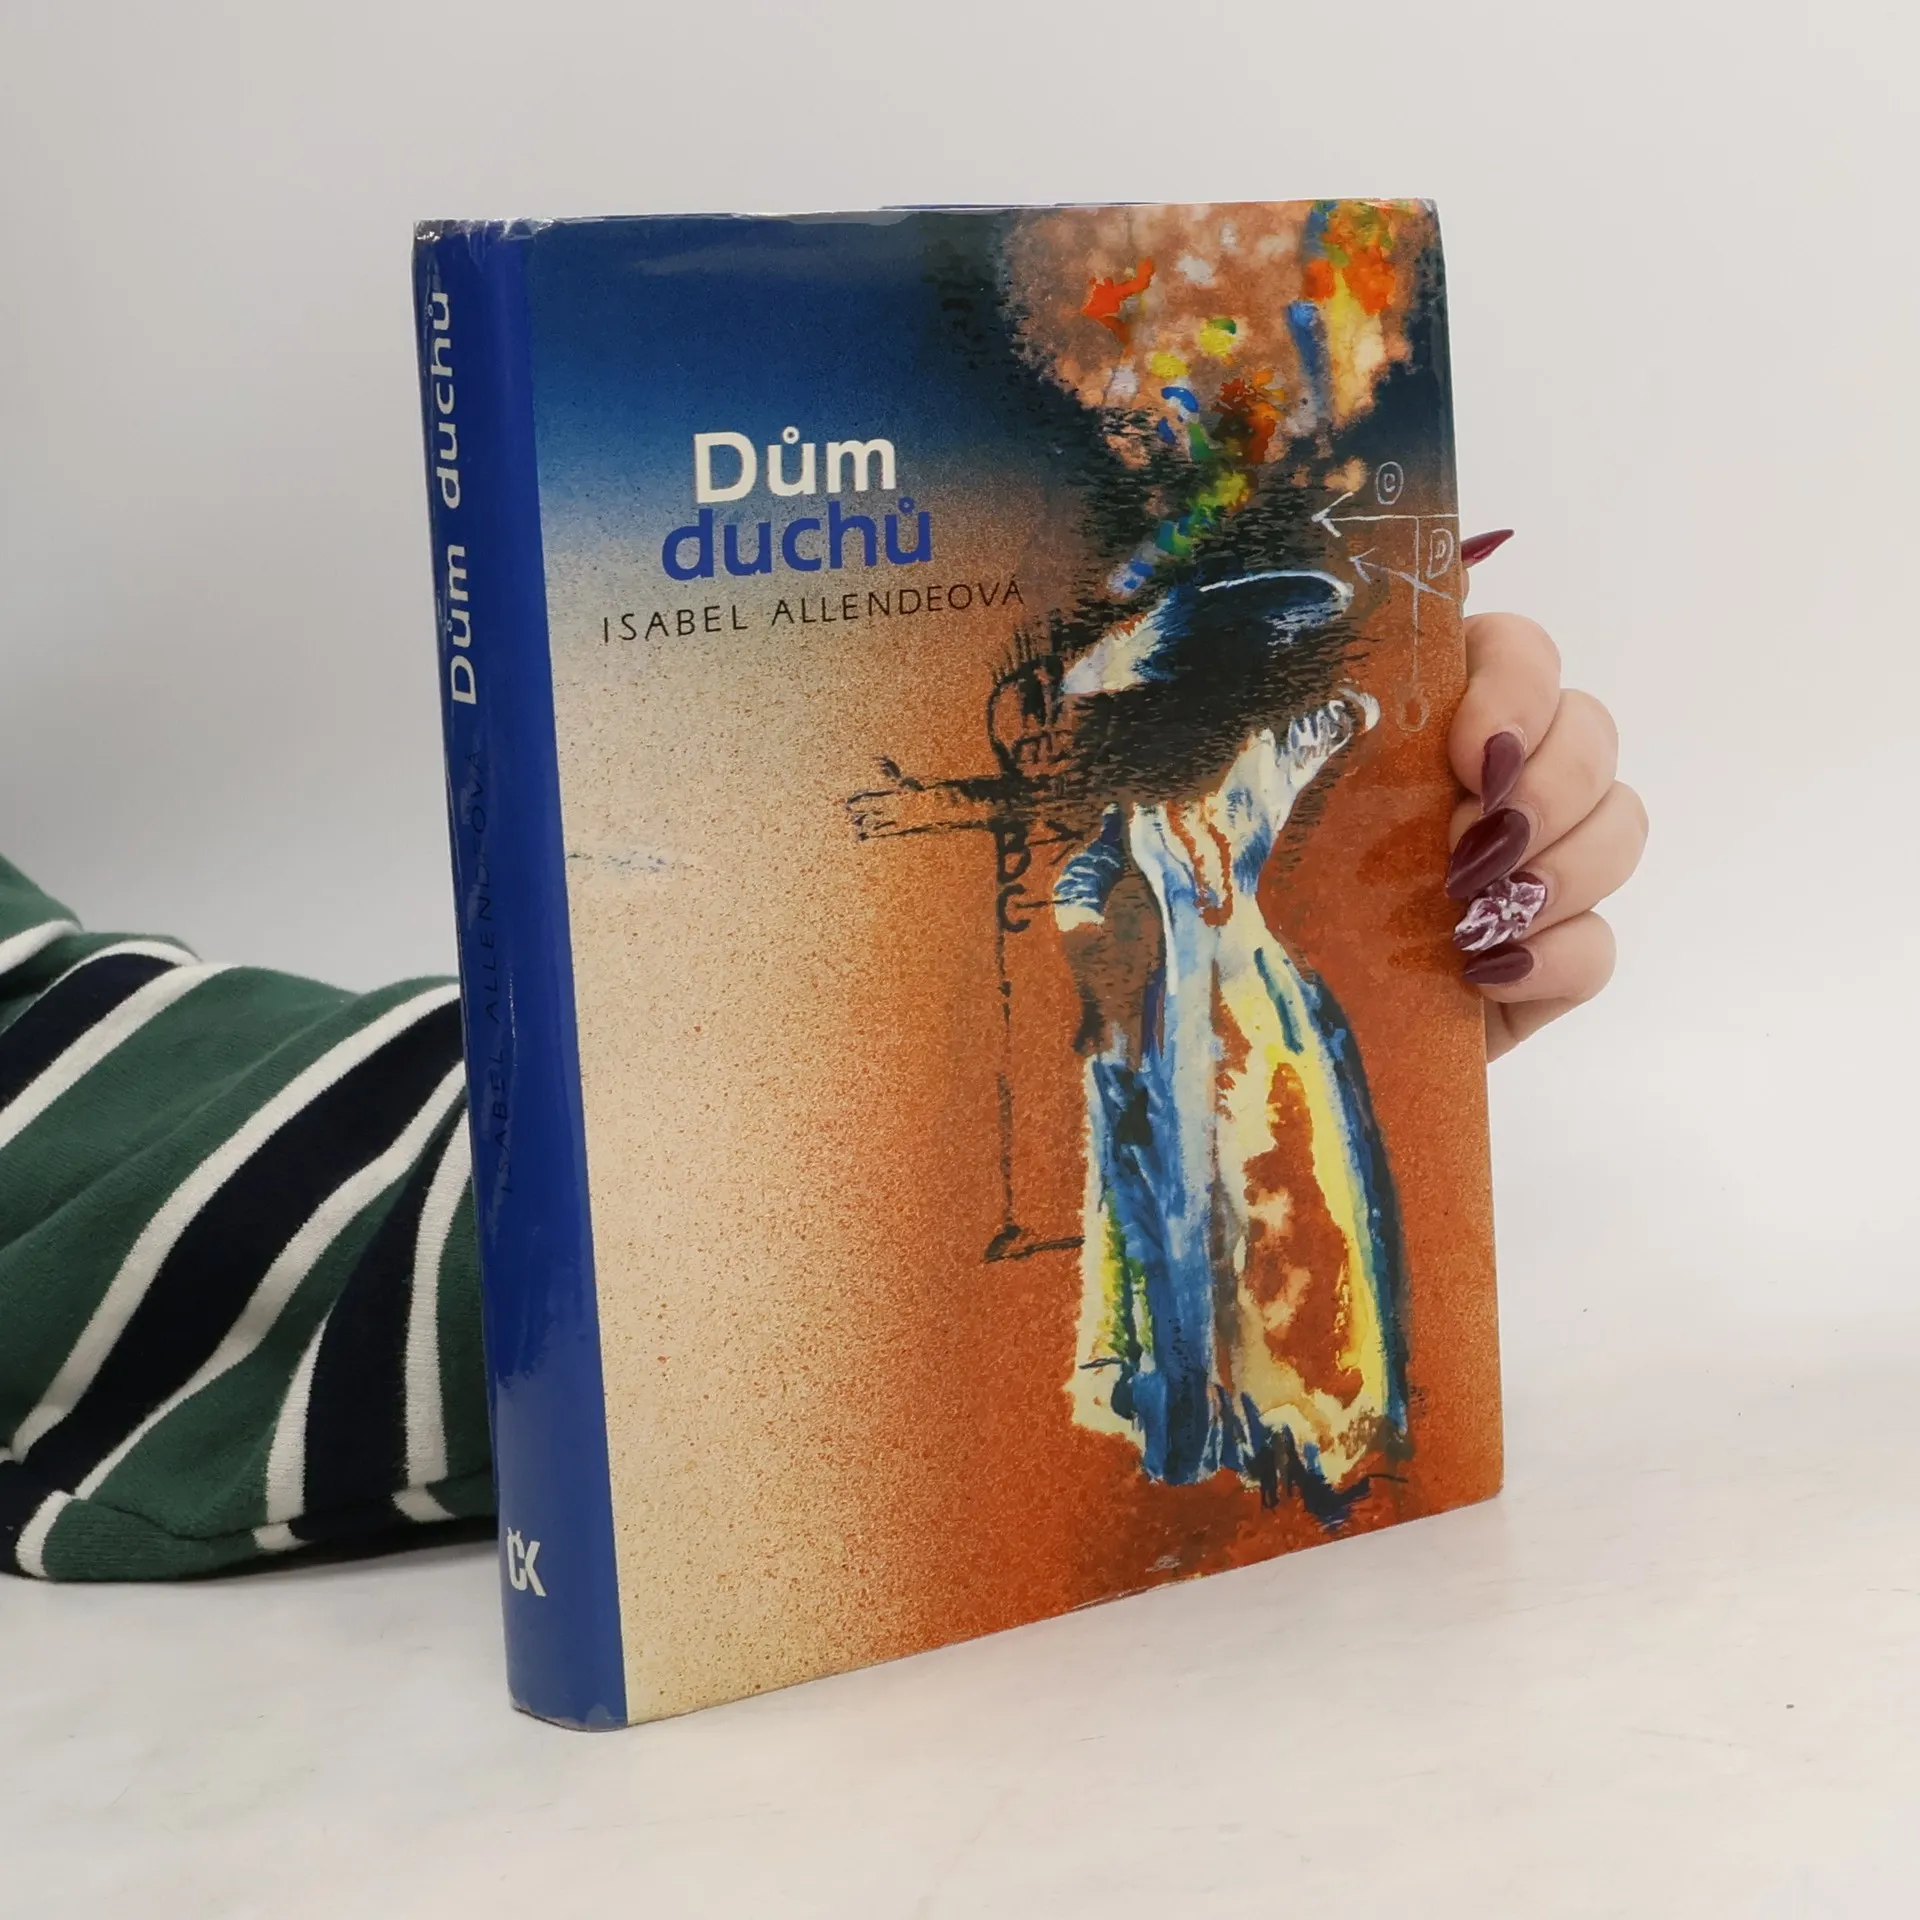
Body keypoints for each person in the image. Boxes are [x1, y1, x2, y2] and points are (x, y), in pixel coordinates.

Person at [0, 578, 1646, 1582]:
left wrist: (1416, 824)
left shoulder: (1203, 828)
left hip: (1226, 1087)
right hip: (1147, 1098)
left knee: (1257, 1262)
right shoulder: (1105, 860)